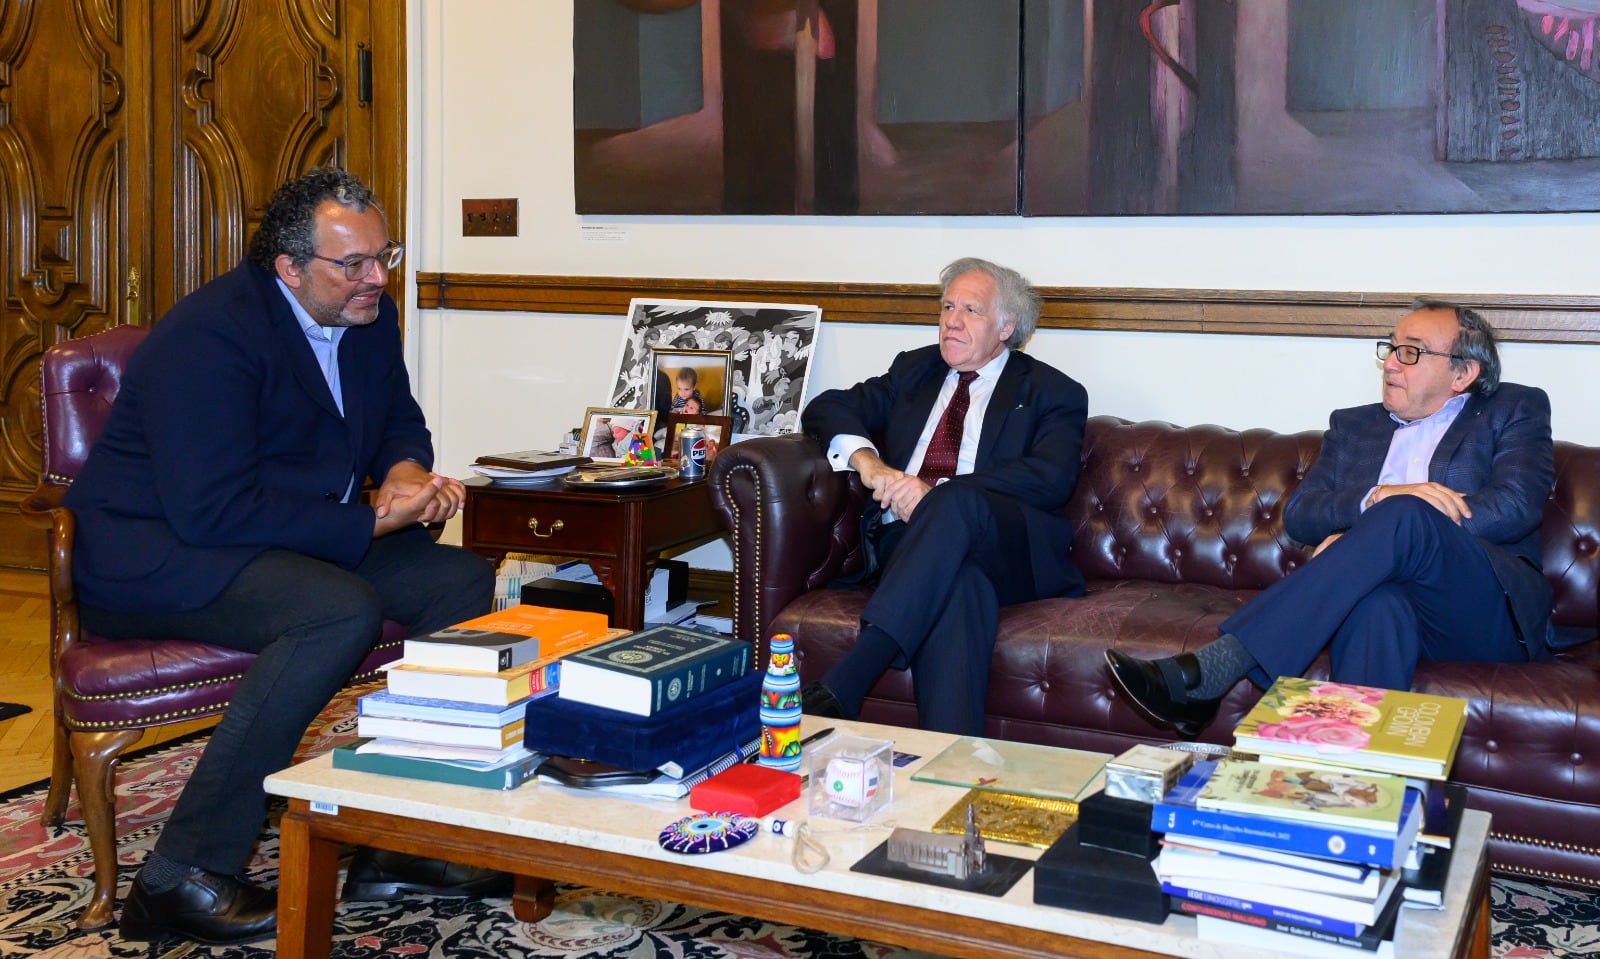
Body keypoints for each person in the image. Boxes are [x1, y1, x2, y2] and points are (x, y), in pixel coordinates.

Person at [62, 168, 504, 945]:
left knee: (461, 582)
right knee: (336, 609)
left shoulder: (369, 313)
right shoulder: (210, 336)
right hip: (159, 552)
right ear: (289, 268)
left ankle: (405, 837)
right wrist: (372, 518)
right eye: (355, 264)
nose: (377, 277)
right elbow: (211, 508)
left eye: (385, 255)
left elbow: (398, 419)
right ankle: (180, 875)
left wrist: (404, 473)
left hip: (287, 534)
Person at [1106, 302, 1554, 736]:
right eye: (1391, 347)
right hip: (1394, 603)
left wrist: (1393, 524)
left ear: (1462, 374)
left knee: (1406, 517)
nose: (1391, 365)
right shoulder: (1355, 426)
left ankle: (1216, 667)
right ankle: (1355, 787)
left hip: (1483, 610)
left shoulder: (1513, 410)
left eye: (1411, 352)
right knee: (1377, 605)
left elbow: (1514, 505)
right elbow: (1300, 515)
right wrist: (1375, 502)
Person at [799, 257, 1089, 734]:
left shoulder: (1051, 391)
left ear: (1006, 327)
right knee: (961, 587)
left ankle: (854, 676)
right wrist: (868, 462)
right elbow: (828, 406)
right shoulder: (915, 370)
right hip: (910, 545)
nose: (952, 320)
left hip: (1008, 549)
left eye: (970, 310)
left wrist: (935, 491)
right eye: (947, 306)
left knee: (954, 501)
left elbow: (1051, 477)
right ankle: (952, 770)